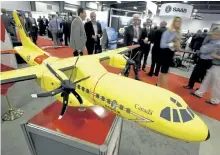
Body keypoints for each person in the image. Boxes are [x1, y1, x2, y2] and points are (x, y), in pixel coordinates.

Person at [190, 27, 220, 105]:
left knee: (217, 84)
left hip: (218, 66)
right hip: (214, 64)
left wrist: (216, 57)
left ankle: (215, 100)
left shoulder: (217, 43)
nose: (213, 35)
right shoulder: (213, 42)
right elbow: (203, 48)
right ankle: (199, 93)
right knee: (206, 80)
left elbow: (203, 49)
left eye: (216, 34)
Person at [157, 16, 182, 89]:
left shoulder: (177, 33)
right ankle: (165, 89)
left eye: (180, 21)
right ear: (173, 22)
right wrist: (173, 44)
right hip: (165, 53)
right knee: (164, 71)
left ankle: (158, 85)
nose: (179, 23)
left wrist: (177, 47)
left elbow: (177, 46)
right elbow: (162, 45)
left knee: (163, 71)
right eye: (177, 21)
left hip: (171, 53)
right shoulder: (168, 32)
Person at [123, 14, 142, 80]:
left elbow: (140, 39)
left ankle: (136, 75)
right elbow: (125, 40)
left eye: (137, 19)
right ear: (132, 20)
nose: (136, 21)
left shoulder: (140, 28)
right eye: (135, 19)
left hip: (137, 48)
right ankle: (125, 74)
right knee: (127, 62)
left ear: (139, 20)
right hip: (129, 48)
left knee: (136, 62)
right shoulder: (128, 28)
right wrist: (125, 50)